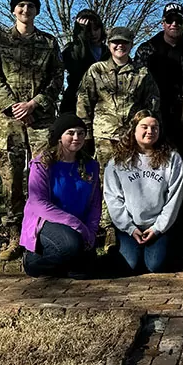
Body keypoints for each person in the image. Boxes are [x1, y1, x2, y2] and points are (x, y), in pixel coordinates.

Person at [0, 0, 64, 261]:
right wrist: (14, 107)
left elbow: (57, 79)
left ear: (37, 10)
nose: (25, 10)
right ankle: (13, 236)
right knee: (12, 179)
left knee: (43, 175)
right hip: (7, 120)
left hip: (40, 118)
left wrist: (34, 104)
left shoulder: (49, 43)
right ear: (13, 9)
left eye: (30, 6)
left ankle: (42, 232)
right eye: (20, 6)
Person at [77, 26, 159, 249]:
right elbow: (84, 103)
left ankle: (128, 227)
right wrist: (84, 136)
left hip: (132, 139)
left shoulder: (141, 73)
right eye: (115, 42)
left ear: (131, 45)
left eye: (124, 42)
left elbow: (152, 106)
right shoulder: (96, 70)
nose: (119, 46)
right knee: (104, 185)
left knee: (130, 184)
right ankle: (106, 229)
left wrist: (147, 132)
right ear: (109, 44)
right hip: (103, 137)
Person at [103, 110, 183, 274]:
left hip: (159, 226)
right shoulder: (118, 162)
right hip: (129, 227)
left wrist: (157, 228)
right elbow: (113, 199)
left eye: (155, 127)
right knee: (131, 265)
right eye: (144, 127)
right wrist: (130, 228)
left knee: (155, 265)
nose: (150, 131)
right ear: (133, 130)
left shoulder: (172, 159)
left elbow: (174, 198)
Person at [21, 114, 101, 278]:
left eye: (81, 133)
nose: (76, 138)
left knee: (87, 268)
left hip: (80, 227)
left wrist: (91, 232)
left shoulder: (90, 166)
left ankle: (66, 265)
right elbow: (39, 203)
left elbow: (95, 204)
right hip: (48, 222)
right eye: (70, 133)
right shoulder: (42, 164)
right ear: (59, 137)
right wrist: (77, 225)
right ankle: (33, 264)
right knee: (71, 246)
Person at [134, 3, 183, 160]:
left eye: (179, 21)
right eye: (170, 20)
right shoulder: (147, 50)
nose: (174, 24)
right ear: (163, 23)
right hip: (156, 115)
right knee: (156, 158)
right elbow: (136, 86)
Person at [60, 9, 107, 114]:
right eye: (88, 30)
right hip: (74, 101)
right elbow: (76, 65)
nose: (93, 33)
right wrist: (80, 36)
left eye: (96, 29)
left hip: (102, 103)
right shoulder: (71, 49)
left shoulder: (108, 52)